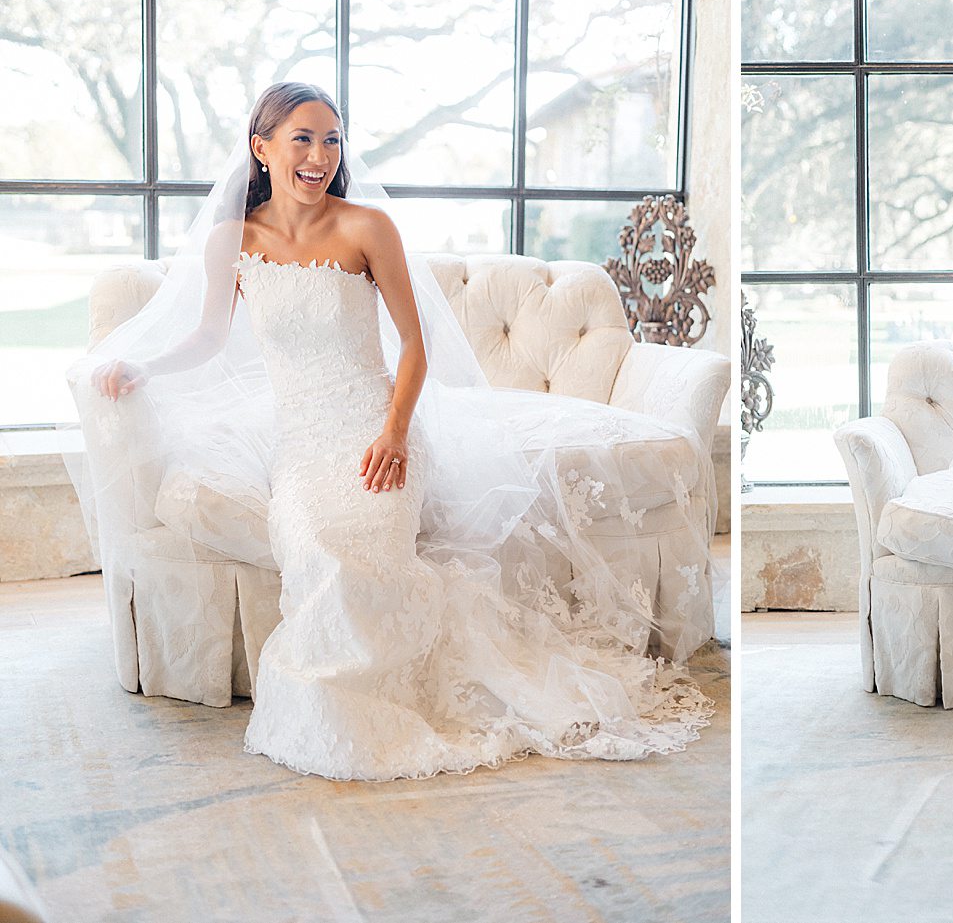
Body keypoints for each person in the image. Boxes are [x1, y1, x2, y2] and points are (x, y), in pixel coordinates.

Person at [69, 82, 713, 781]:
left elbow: (413, 346)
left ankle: (365, 698)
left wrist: (396, 434)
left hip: (378, 432)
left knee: (364, 547)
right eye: (303, 139)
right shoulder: (235, 240)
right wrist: (143, 364)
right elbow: (207, 335)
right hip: (303, 445)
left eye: (332, 140)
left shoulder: (366, 228)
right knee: (313, 541)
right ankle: (332, 702)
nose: (320, 155)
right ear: (261, 148)